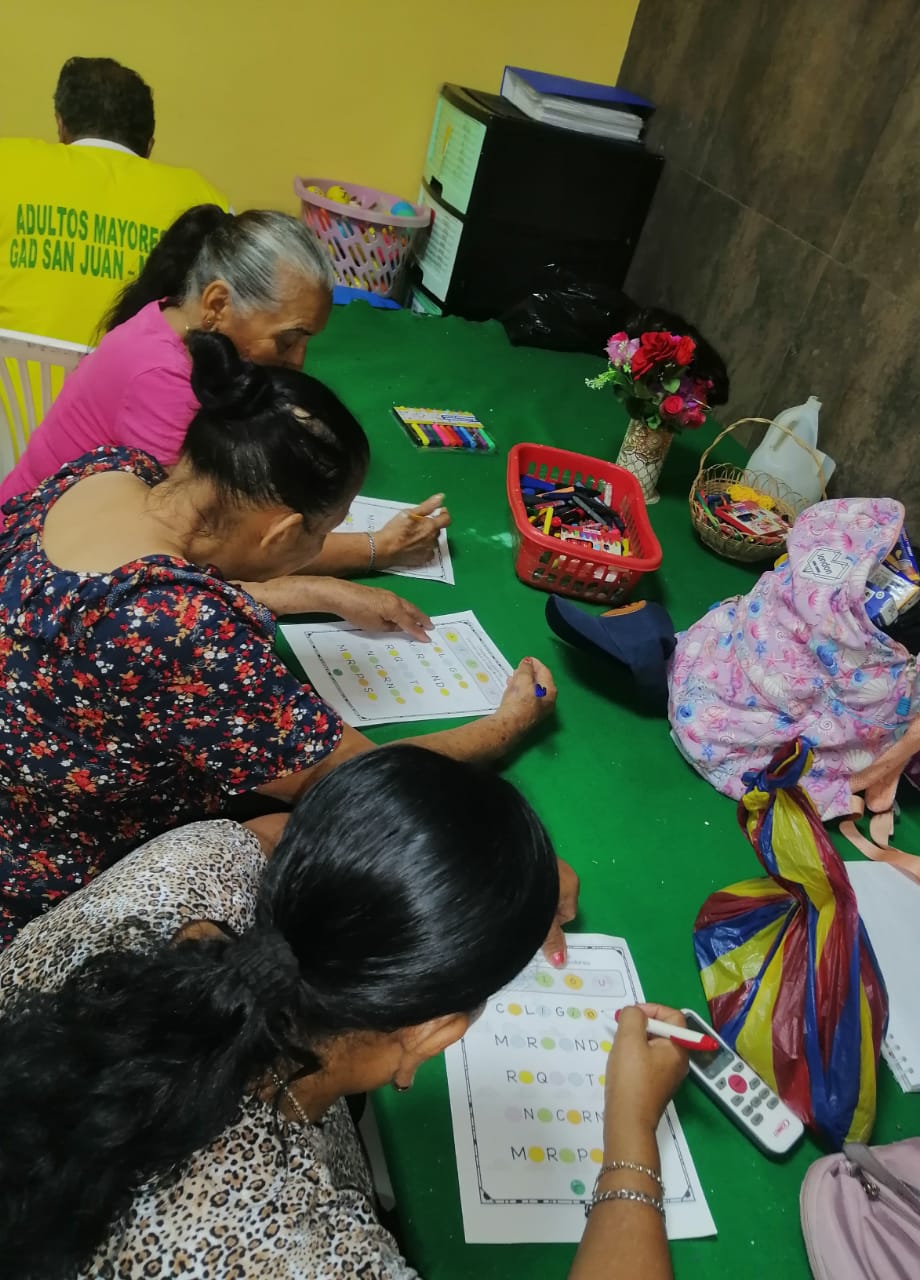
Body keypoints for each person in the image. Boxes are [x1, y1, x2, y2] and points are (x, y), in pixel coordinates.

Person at [0, 746, 683, 1280]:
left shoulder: (199, 862)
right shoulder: (290, 1248)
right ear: (429, 1034)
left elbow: (277, 834)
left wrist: (452, 876)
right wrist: (631, 1127)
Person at [0, 333, 556, 944]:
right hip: (56, 874)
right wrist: (509, 723)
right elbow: (357, 782)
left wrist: (311, 589)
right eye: (321, 534)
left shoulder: (108, 473)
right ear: (282, 532)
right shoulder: (186, 629)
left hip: (21, 799)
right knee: (298, 842)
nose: (318, 549)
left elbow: (107, 615)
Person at [0, 204, 448, 587]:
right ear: (217, 304)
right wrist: (377, 547)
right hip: (30, 560)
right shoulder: (162, 379)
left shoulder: (176, 323)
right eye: (288, 339)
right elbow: (225, 546)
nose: (298, 360)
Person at [0, 57, 229, 345]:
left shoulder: (8, 162)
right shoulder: (204, 199)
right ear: (148, 147)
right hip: (139, 373)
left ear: (61, 125)